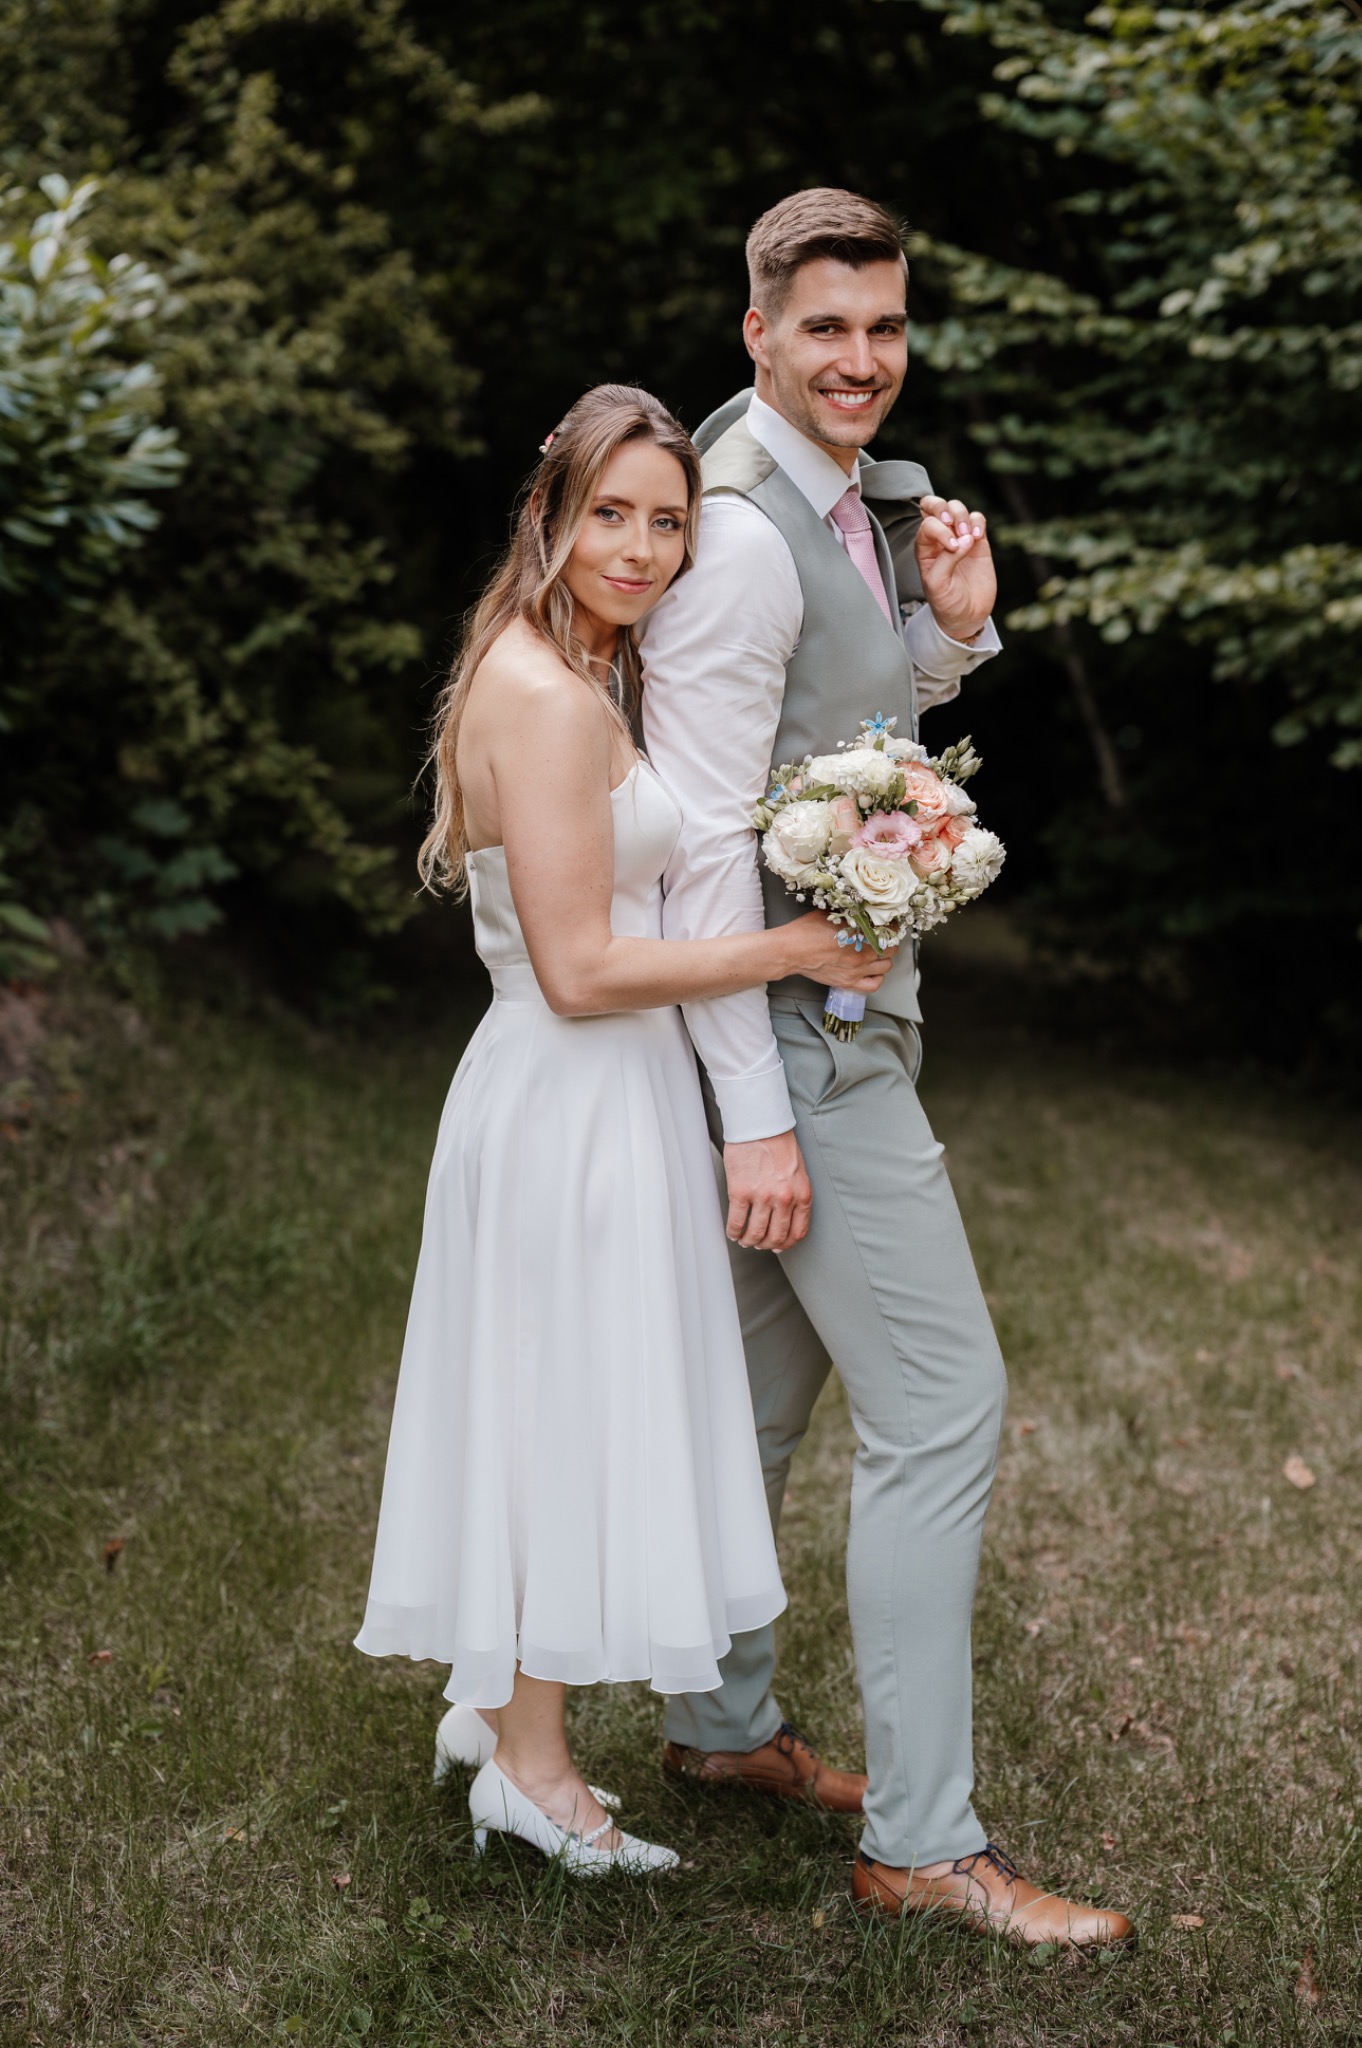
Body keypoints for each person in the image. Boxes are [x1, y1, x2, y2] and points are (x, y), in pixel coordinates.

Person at [639, 190, 1135, 1949]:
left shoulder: (844, 504)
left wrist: (943, 636)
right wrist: (757, 1113)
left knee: (760, 1406)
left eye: (887, 327)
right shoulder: (741, 534)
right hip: (800, 1049)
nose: (864, 360)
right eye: (827, 328)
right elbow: (702, 843)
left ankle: (714, 1726)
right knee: (942, 1412)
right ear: (756, 333)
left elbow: (831, 752)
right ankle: (923, 1842)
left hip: (822, 1028)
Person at [352, 383, 893, 1875]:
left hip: (596, 1092)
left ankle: (488, 1706)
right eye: (613, 516)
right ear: (551, 515)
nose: (643, 549)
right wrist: (786, 953)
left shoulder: (574, 672)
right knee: (558, 1421)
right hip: (570, 1095)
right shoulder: (540, 696)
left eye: (669, 521)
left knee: (544, 1401)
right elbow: (584, 970)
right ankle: (534, 1779)